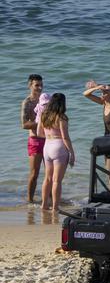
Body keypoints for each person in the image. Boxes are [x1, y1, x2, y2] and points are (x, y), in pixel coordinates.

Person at [36, 93, 73, 214]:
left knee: (47, 178)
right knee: (57, 180)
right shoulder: (61, 117)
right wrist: (72, 152)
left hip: (47, 147)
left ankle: (44, 205)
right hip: (59, 147)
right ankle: (55, 208)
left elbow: (39, 134)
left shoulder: (44, 115)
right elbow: (65, 137)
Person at [21, 74, 44, 203]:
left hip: (49, 140)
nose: (40, 87)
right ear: (30, 85)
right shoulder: (27, 102)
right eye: (37, 85)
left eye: (41, 85)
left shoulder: (45, 100)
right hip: (35, 140)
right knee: (34, 174)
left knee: (51, 174)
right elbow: (24, 124)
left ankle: (50, 198)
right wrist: (41, 123)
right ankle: (30, 201)